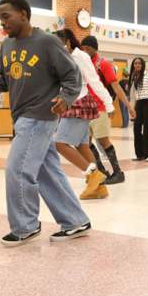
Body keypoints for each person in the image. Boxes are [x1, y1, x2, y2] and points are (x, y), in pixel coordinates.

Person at [0, 0, 91, 246]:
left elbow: (72, 76)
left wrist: (65, 98)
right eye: (0, 19)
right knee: (46, 172)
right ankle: (75, 220)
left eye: (6, 17)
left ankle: (25, 226)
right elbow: (5, 79)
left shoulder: (47, 42)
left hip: (40, 115)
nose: (3, 23)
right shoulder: (7, 45)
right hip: (21, 117)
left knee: (18, 170)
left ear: (24, 14)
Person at [52, 29, 113, 200]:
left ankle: (94, 176)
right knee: (82, 146)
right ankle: (98, 187)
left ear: (69, 42)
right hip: (70, 103)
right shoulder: (63, 57)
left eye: (59, 44)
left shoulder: (80, 56)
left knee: (60, 143)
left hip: (79, 102)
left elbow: (94, 80)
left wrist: (108, 104)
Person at [80, 35, 135, 184]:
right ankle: (101, 171)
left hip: (100, 109)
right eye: (82, 48)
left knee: (103, 141)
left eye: (86, 48)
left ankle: (118, 172)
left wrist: (129, 106)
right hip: (85, 109)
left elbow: (116, 86)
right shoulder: (83, 63)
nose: (83, 51)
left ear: (93, 48)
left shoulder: (102, 64)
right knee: (85, 142)